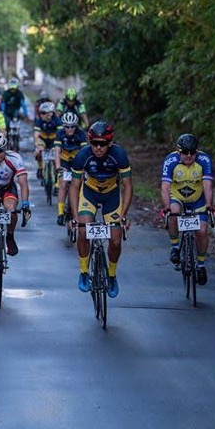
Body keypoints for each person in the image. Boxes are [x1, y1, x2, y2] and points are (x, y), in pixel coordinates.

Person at [68, 121, 133, 299]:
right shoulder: (83, 155)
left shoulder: (118, 154)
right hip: (89, 193)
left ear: (110, 143)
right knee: (83, 231)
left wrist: (124, 215)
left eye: (102, 143)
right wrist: (75, 217)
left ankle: (111, 275)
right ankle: (83, 272)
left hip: (111, 195)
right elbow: (74, 187)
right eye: (94, 143)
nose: (98, 147)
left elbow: (127, 186)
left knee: (115, 240)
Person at [161, 133, 215, 285]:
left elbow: (207, 185)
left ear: (197, 151)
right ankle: (175, 246)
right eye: (185, 152)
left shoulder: (204, 160)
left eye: (192, 152)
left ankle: (201, 265)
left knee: (202, 231)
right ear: (178, 152)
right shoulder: (170, 161)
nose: (189, 155)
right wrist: (166, 207)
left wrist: (209, 205)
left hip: (198, 199)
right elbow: (165, 187)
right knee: (173, 212)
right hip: (177, 196)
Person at [55, 112, 88, 226]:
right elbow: (57, 151)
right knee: (63, 185)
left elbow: (85, 152)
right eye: (67, 126)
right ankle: (60, 213)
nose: (70, 129)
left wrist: (84, 168)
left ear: (76, 126)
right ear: (63, 126)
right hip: (64, 162)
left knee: (79, 186)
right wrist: (57, 166)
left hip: (77, 162)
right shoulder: (59, 133)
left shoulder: (81, 134)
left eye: (73, 126)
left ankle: (78, 208)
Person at [33, 101, 60, 179]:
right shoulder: (39, 121)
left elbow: (60, 134)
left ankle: (56, 170)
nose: (42, 115)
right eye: (41, 113)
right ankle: (40, 168)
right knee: (38, 152)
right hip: (43, 140)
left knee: (57, 154)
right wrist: (37, 145)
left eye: (44, 113)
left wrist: (58, 146)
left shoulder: (56, 120)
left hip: (54, 140)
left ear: (50, 114)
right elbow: (36, 135)